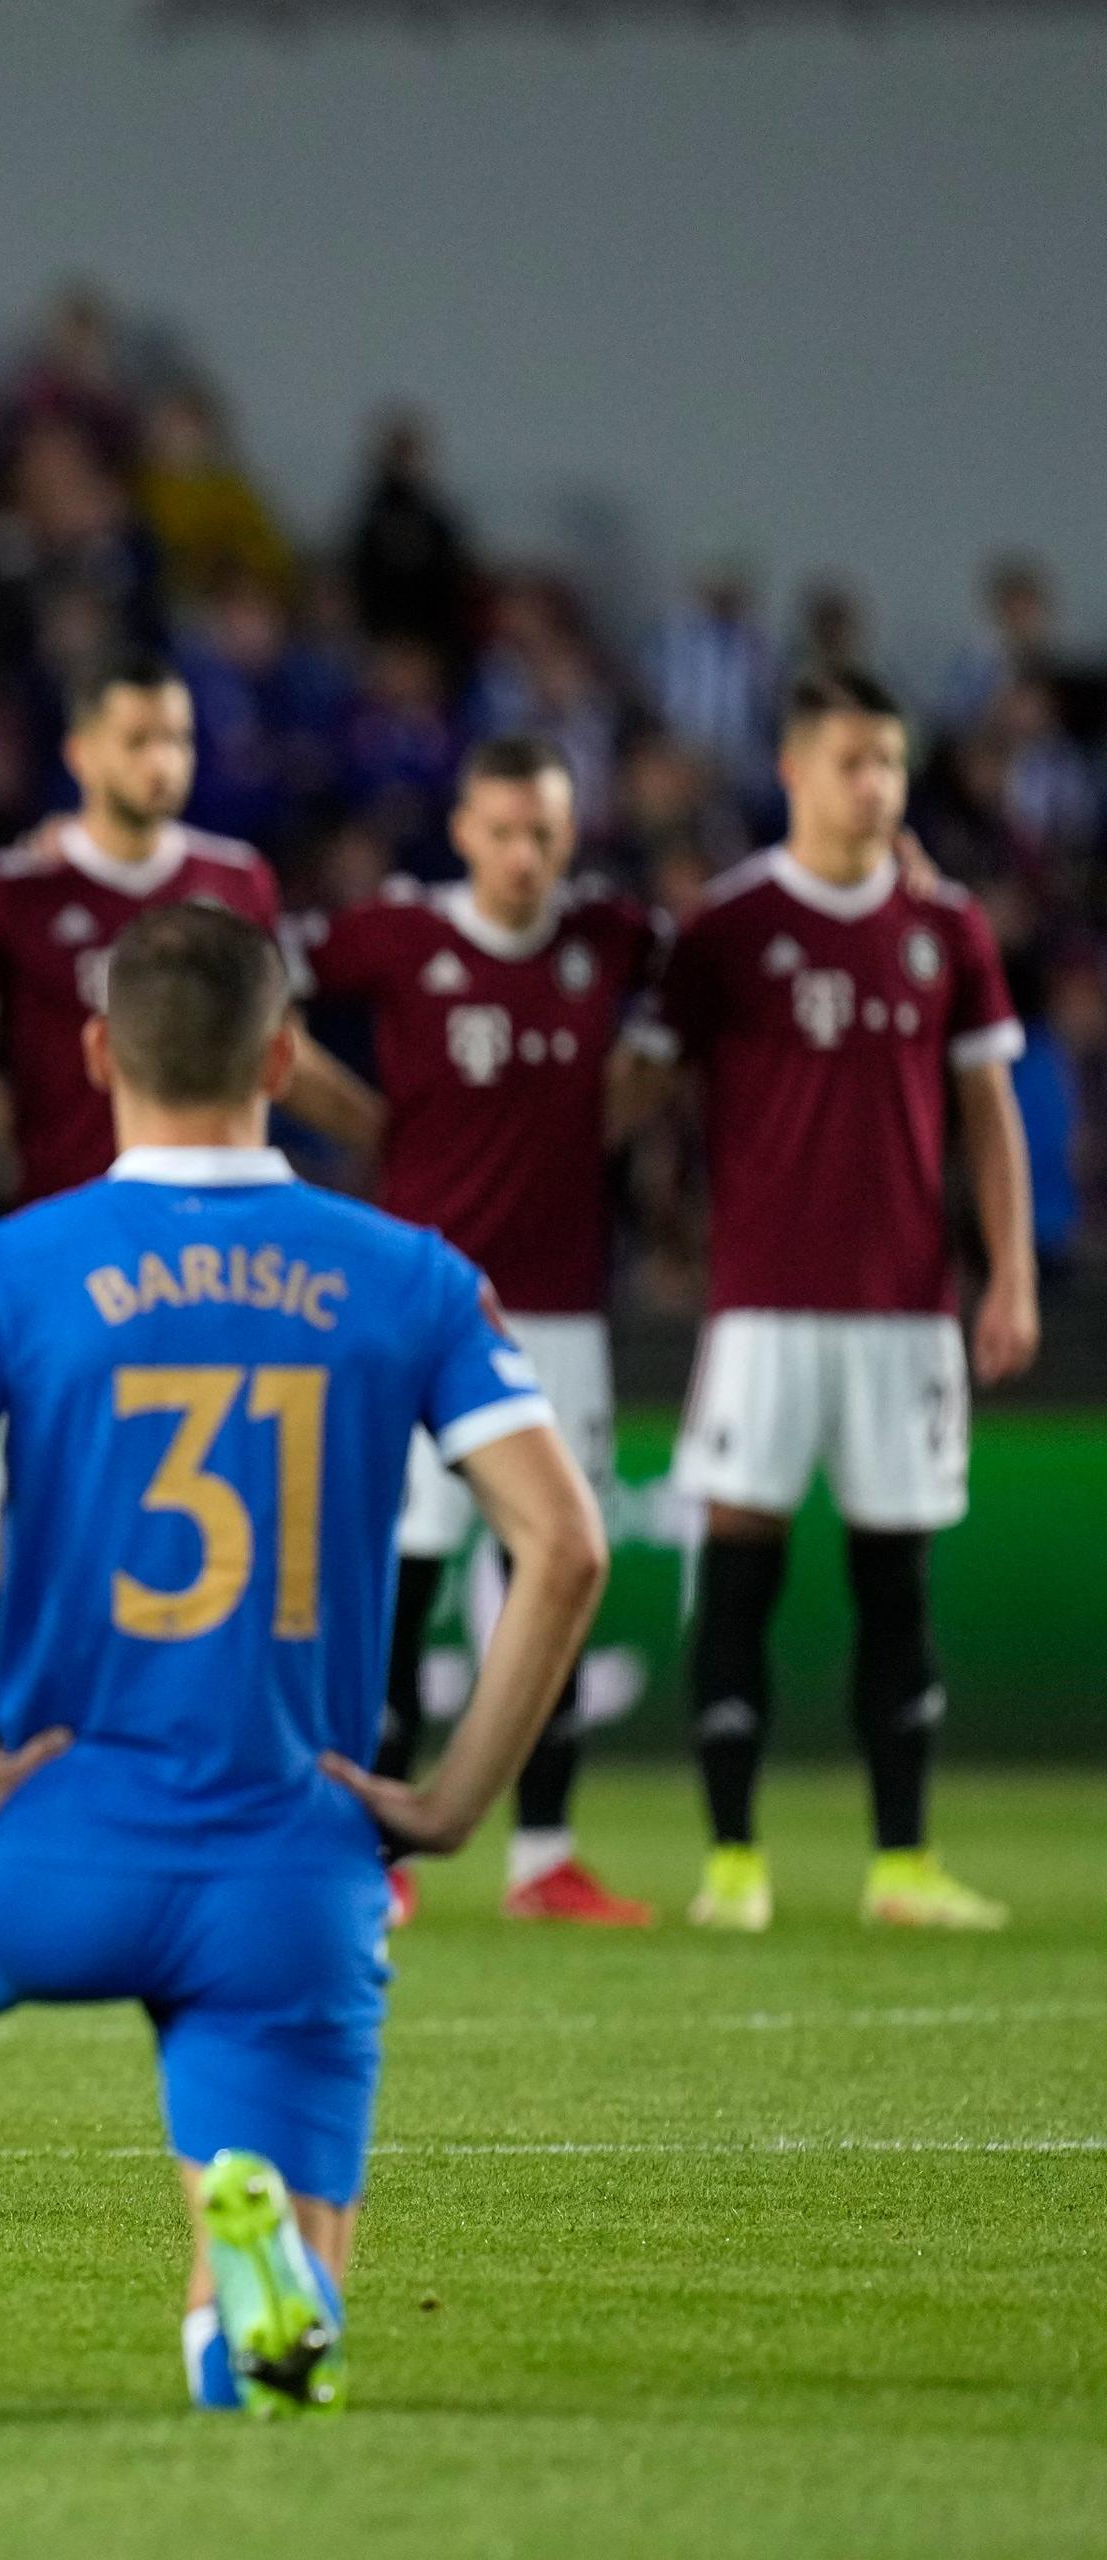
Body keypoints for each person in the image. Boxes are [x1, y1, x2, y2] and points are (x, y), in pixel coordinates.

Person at [0, 901, 607, 2409]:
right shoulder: (413, 1275)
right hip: (296, 1856)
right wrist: (443, 1809)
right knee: (273, 2324)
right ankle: (242, 2297)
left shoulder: (6, 1267)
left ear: (100, 1051)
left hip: (61, 1842)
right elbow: (565, 1548)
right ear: (289, 1057)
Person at [622, 665, 1036, 1932]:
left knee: (894, 1582)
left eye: (893, 764)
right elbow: (644, 1098)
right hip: (764, 1306)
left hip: (906, 1306)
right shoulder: (729, 928)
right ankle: (732, 1860)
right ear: (796, 771)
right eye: (854, 762)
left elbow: (987, 1108)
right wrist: (660, 1225)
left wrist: (1008, 1269)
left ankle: (901, 1864)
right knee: (740, 1572)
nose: (878, 787)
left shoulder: (945, 927)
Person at [285, 736, 660, 1928]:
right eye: (502, 831)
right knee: (402, 1582)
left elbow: (719, 979)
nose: (524, 856)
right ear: (462, 831)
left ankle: (542, 1854)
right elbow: (253, 980)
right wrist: (361, 1123)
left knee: (546, 1581)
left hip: (560, 1315)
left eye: (545, 832)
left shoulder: (607, 938)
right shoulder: (395, 936)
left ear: (571, 832)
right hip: (417, 1313)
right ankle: (373, 1851)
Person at [0, 645, 380, 1199]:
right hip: (74, 1218)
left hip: (215, 1223)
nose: (161, 762)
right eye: (137, 741)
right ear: (81, 754)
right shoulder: (14, 891)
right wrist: (34, 1140)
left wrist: (385, 1133)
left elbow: (285, 1049)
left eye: (177, 739)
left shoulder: (239, 880)